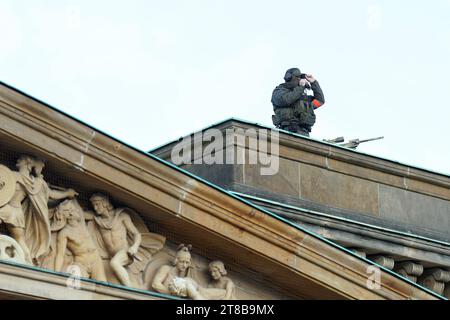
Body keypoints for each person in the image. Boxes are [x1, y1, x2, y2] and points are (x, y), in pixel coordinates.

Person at [87, 193, 142, 287]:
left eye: (97, 205)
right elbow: (79, 214)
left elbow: (136, 234)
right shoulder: (98, 220)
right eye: (93, 206)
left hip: (125, 253)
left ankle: (129, 288)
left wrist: (135, 247)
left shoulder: (122, 216)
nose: (95, 208)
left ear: (104, 204)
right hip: (110, 255)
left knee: (114, 263)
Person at [53, 199, 107, 282]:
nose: (78, 210)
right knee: (77, 289)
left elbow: (74, 199)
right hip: (81, 264)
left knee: (104, 289)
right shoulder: (65, 233)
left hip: (96, 261)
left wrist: (70, 194)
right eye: (74, 209)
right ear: (69, 214)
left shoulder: (81, 222)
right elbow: (60, 255)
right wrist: (56, 274)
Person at [271, 67, 325, 136]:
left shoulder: (302, 97)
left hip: (304, 133)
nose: (299, 80)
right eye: (297, 77)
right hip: (286, 132)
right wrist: (301, 87)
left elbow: (319, 101)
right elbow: (287, 100)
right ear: (288, 77)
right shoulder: (279, 92)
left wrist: (314, 83)